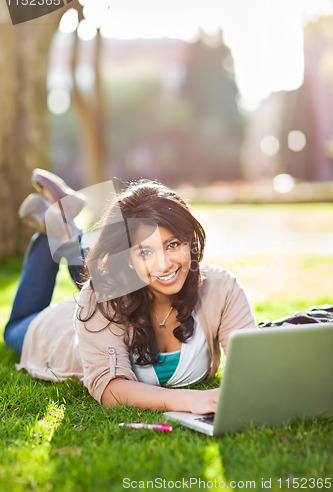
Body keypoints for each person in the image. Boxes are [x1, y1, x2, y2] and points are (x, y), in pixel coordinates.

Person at [4, 170, 258, 415]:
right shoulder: (96, 299)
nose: (164, 264)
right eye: (145, 252)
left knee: (105, 279)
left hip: (103, 307)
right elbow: (110, 389)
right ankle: (52, 226)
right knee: (12, 330)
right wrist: (190, 399)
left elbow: (253, 365)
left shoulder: (221, 287)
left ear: (189, 241)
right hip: (52, 329)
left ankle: (64, 226)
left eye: (173, 244)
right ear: (127, 257)